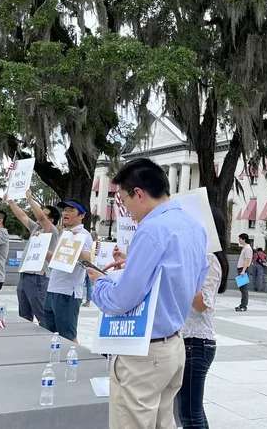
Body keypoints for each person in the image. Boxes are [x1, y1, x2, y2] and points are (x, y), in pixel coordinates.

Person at [87, 158, 207, 429]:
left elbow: (122, 299)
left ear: (138, 193)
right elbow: (194, 281)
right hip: (174, 347)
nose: (125, 210)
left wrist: (100, 283)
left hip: (142, 353)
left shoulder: (151, 229)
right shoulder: (194, 226)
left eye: (123, 200)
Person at [175, 253, 222, 427]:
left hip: (197, 343)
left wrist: (182, 273)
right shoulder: (192, 257)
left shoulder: (208, 259)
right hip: (186, 341)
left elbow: (201, 304)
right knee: (192, 411)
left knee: (190, 414)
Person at [7, 189, 61, 324]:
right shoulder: (36, 228)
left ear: (52, 219)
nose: (39, 216)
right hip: (25, 275)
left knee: (42, 315)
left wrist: (30, 200)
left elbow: (41, 218)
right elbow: (22, 216)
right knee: (24, 315)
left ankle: (48, 339)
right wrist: (11, 202)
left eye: (44, 213)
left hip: (38, 277)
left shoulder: (52, 231)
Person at [41, 199, 93, 341]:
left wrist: (76, 244)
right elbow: (56, 259)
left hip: (68, 293)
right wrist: (41, 248)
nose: (65, 213)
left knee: (67, 336)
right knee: (49, 333)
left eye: (71, 210)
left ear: (81, 215)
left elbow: (88, 260)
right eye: (64, 210)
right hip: (53, 288)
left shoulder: (84, 235)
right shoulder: (64, 234)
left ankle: (72, 360)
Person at [235, 233, 252, 312]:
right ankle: (242, 304)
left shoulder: (248, 248)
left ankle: (244, 306)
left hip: (243, 270)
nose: (239, 240)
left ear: (244, 239)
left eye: (240, 239)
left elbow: (247, 260)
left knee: (244, 289)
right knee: (242, 288)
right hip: (241, 269)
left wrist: (243, 271)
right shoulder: (245, 248)